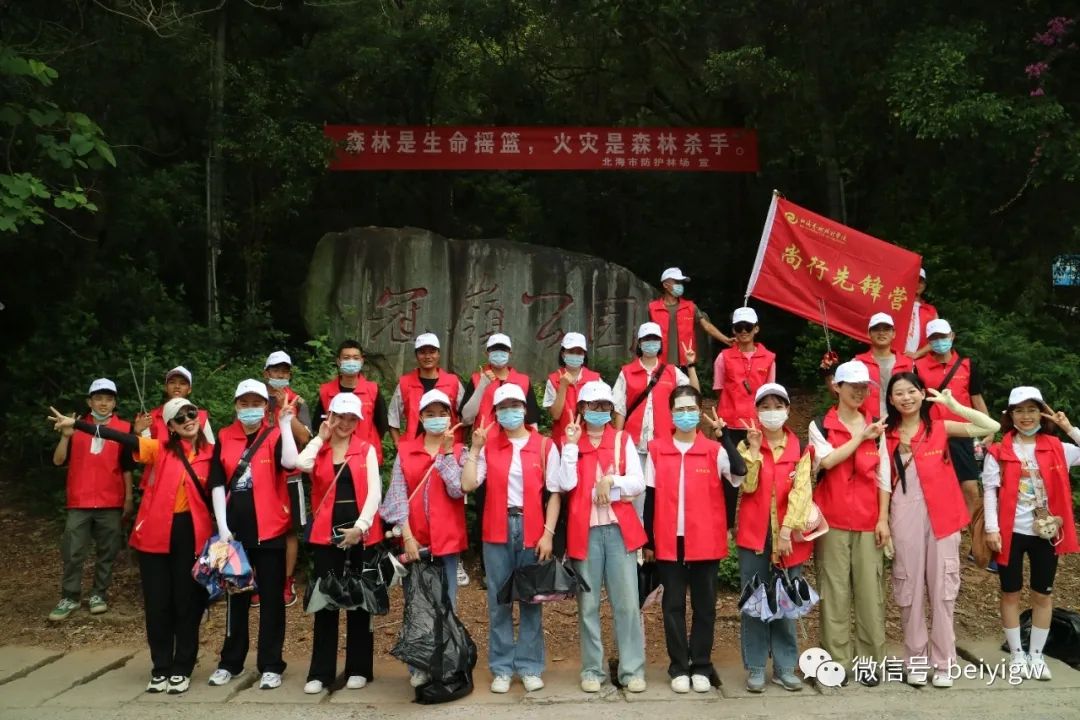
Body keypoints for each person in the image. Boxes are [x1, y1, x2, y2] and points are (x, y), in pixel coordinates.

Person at [49, 397, 215, 694]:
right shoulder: (159, 449)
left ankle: (182, 667)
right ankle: (161, 667)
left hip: (191, 533)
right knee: (157, 604)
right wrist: (78, 425)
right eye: (180, 418)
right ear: (171, 427)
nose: (188, 420)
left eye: (191, 413)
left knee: (187, 603)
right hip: (154, 533)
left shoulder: (212, 454)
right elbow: (118, 436)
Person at [883, 372, 1000, 688]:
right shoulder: (885, 433)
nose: (906, 397)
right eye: (899, 393)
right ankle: (916, 661)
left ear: (922, 393)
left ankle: (944, 663)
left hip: (944, 516)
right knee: (909, 591)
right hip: (904, 514)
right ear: (890, 399)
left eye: (912, 391)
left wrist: (955, 406)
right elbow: (881, 480)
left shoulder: (939, 427)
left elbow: (990, 426)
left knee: (942, 591)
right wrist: (884, 523)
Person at [643, 385, 745, 694]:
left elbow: (739, 472)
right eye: (680, 409)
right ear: (671, 413)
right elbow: (650, 497)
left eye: (691, 409)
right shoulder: (657, 449)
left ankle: (701, 664)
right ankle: (679, 666)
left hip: (705, 539)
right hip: (669, 539)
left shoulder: (713, 451)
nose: (685, 414)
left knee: (705, 606)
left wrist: (724, 436)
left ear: (699, 412)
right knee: (672, 605)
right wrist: (649, 541)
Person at [461, 384, 561, 694]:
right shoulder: (489, 446)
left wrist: (548, 534)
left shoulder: (544, 445)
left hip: (532, 528)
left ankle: (530, 666)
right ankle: (502, 667)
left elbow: (554, 493)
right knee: (498, 601)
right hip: (497, 528)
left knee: (531, 599)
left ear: (525, 408)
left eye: (515, 405)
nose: (510, 412)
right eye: (503, 407)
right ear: (495, 413)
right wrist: (474, 449)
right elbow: (468, 485)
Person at [206, 380, 300, 691]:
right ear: (236, 405)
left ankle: (271, 664)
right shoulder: (224, 436)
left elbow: (290, 462)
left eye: (256, 403)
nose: (250, 409)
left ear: (265, 407)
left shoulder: (273, 435)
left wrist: (285, 424)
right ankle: (230, 662)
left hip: (270, 530)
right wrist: (222, 527)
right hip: (235, 534)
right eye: (244, 403)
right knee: (236, 600)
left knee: (272, 600)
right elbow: (217, 483)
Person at [982, 387, 1079, 682]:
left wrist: (1068, 428)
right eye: (1020, 410)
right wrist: (991, 529)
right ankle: (1017, 654)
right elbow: (989, 492)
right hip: (1011, 532)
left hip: (1047, 533)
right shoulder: (999, 451)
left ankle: (1036, 655)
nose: (1026, 416)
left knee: (1042, 594)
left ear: (1041, 413)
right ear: (1010, 415)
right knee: (1010, 592)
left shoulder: (1057, 447)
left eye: (1032, 410)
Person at [558, 381, 647, 694]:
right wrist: (571, 446)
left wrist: (612, 480)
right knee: (588, 605)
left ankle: (632, 670)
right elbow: (564, 483)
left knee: (627, 604)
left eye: (605, 406)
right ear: (582, 408)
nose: (599, 411)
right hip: (585, 532)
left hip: (619, 531)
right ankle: (592, 669)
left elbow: (638, 482)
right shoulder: (571, 442)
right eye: (593, 406)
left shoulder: (622, 439)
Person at [290, 392, 383, 695]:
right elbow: (299, 462)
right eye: (340, 416)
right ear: (330, 416)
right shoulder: (320, 449)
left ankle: (359, 668)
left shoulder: (366, 449)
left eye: (351, 418)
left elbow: (375, 492)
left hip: (359, 531)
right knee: (325, 601)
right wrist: (320, 437)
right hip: (326, 534)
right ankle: (321, 672)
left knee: (360, 600)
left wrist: (361, 527)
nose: (345, 423)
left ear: (358, 421)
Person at [380, 389, 468, 688]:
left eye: (442, 413)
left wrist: (446, 454)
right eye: (430, 414)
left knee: (447, 603)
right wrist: (406, 536)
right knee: (417, 603)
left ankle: (447, 662)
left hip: (448, 540)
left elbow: (457, 489)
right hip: (415, 540)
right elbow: (397, 495)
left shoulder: (460, 451)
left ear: (450, 417)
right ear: (419, 417)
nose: (436, 419)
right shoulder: (406, 450)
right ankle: (419, 666)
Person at [808, 360, 888, 685]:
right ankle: (836, 664)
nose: (859, 392)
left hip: (869, 521)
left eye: (864, 387)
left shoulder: (878, 427)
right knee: (834, 594)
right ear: (836, 387)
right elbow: (826, 460)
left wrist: (883, 519)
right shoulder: (821, 425)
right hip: (832, 521)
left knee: (870, 595)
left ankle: (869, 663)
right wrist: (860, 438)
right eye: (853, 386)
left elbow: (884, 477)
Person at [735, 383, 811, 693]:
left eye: (777, 406)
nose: (771, 412)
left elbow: (802, 492)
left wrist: (786, 531)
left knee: (785, 600)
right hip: (754, 534)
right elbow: (747, 487)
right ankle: (755, 667)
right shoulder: (746, 446)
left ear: (788, 410)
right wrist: (754, 450)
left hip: (788, 535)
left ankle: (784, 667)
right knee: (755, 601)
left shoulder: (800, 448)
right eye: (765, 407)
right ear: (756, 411)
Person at [49, 378, 136, 621]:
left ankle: (99, 594)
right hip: (80, 500)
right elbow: (58, 461)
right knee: (73, 550)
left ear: (115, 403)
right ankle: (70, 596)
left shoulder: (124, 428)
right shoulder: (75, 426)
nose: (103, 403)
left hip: (111, 500)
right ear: (90, 402)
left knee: (107, 551)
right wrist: (65, 436)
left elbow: (127, 467)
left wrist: (128, 498)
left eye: (108, 399)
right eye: (98, 398)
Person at [613, 321, 699, 515]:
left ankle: (658, 531)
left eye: (655, 339)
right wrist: (617, 441)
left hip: (664, 442)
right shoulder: (627, 372)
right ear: (639, 343)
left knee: (662, 492)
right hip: (634, 444)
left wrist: (691, 365)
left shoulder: (671, 371)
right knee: (636, 493)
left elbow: (693, 394)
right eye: (647, 339)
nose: (651, 343)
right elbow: (619, 409)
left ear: (660, 343)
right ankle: (637, 532)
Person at [914, 319, 992, 527]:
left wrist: (989, 428)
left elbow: (976, 398)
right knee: (935, 487)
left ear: (952, 336)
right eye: (934, 338)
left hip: (963, 433)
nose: (939, 341)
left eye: (943, 336)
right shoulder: (918, 367)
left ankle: (972, 532)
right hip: (931, 434)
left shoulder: (967, 365)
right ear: (928, 341)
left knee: (971, 488)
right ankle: (942, 529)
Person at [712, 306, 775, 528]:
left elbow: (770, 394)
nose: (743, 331)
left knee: (757, 475)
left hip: (756, 427)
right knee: (729, 477)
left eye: (748, 326)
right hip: (729, 424)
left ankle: (755, 525)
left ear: (756, 328)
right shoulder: (723, 357)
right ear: (733, 330)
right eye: (739, 327)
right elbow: (719, 389)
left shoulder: (769, 358)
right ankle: (727, 526)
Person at [264, 350, 313, 608]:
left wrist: (286, 411)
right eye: (276, 370)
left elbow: (305, 437)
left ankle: (287, 580)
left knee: (289, 528)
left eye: (284, 371)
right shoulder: (255, 398)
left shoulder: (298, 401)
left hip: (290, 474)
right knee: (259, 524)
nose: (280, 375)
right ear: (266, 373)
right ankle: (260, 580)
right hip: (261, 473)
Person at [312, 340, 389, 463]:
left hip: (365, 456)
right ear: (338, 361)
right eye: (346, 358)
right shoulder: (326, 391)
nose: (351, 361)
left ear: (362, 361)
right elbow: (318, 424)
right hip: (333, 456)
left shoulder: (373, 390)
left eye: (355, 358)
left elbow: (382, 424)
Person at [388, 333, 465, 444]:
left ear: (439, 354)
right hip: (414, 447)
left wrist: (458, 443)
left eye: (432, 352)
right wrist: (399, 444)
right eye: (422, 352)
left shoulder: (453, 382)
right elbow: (393, 417)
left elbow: (466, 417)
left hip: (446, 447)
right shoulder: (405, 383)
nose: (427, 356)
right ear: (416, 355)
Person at [649, 267, 732, 369]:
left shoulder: (690, 306)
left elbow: (707, 326)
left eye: (681, 282)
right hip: (660, 364)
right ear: (665, 285)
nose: (680, 285)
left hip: (686, 363)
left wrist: (726, 340)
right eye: (677, 282)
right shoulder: (652, 308)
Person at [460, 333, 540, 431]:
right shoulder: (476, 379)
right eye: (494, 349)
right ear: (487, 353)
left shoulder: (523, 381)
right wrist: (481, 385)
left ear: (510, 353)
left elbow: (532, 418)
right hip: (484, 437)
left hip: (514, 437)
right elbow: (466, 418)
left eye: (503, 349)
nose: (499, 352)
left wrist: (534, 438)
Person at [543, 332, 601, 449]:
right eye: (570, 351)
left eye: (579, 352)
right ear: (563, 353)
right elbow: (555, 415)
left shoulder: (595, 379)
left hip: (589, 440)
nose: (575, 355)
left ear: (584, 355)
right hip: (562, 441)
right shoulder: (553, 379)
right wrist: (563, 386)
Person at [134, 366, 215, 444]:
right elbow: (146, 449)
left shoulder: (201, 416)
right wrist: (138, 432)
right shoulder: (152, 417)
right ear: (166, 387)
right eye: (172, 382)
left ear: (189, 389)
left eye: (182, 383)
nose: (177, 386)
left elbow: (211, 447)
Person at [855, 312, 914, 421]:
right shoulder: (857, 363)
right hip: (867, 422)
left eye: (886, 329)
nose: (881, 333)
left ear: (893, 333)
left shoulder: (908, 363)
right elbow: (844, 394)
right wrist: (828, 372)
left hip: (901, 421)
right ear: (869, 334)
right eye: (876, 329)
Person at [903, 268, 938, 361]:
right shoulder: (896, 305)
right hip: (897, 359)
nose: (917, 284)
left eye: (921, 281)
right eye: (914, 280)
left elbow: (938, 337)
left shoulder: (931, 310)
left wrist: (917, 354)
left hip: (922, 361)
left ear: (925, 285)